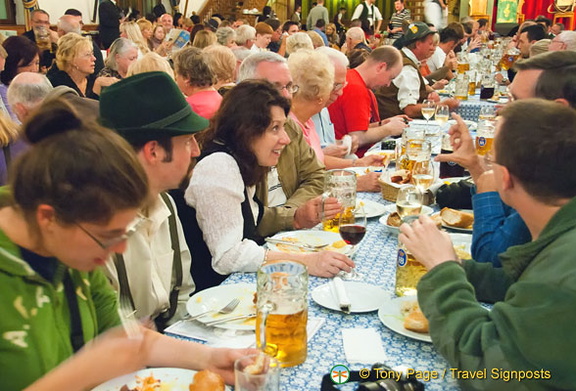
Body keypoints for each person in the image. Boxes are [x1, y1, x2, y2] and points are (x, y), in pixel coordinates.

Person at [0, 98, 254, 390]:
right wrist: (82, 372)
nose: (119, 248)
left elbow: (130, 341)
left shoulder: (68, 253)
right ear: (48, 218)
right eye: (109, 236)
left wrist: (210, 358)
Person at [399, 99, 576, 389]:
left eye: (492, 160)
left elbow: (488, 370)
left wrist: (443, 271)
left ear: (504, 179)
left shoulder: (561, 279)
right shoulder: (559, 237)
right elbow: (517, 281)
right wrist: (457, 267)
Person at [184, 80, 355, 291]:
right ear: (246, 130)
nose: (285, 139)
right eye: (275, 128)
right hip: (213, 295)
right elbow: (227, 256)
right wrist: (306, 261)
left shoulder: (243, 161)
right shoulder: (219, 166)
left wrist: (297, 219)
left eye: (283, 127)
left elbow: (253, 217)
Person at [435, 51, 576, 266]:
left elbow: (495, 258)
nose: (502, 110)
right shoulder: (553, 154)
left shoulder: (557, 172)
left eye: (517, 101)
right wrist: (475, 167)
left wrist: (441, 266)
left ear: (557, 109)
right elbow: (507, 222)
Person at [99, 72, 204, 329]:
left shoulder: (165, 203)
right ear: (153, 151)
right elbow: (108, 330)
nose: (196, 151)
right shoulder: (95, 225)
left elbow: (182, 294)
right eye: (187, 140)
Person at [237, 52, 336, 238]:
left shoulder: (289, 126)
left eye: (289, 87)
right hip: (258, 244)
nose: (285, 96)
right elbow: (247, 217)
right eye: (273, 87)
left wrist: (291, 213)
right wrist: (293, 216)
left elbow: (316, 175)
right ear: (245, 90)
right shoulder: (234, 138)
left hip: (290, 233)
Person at [288, 50, 385, 182]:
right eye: (336, 85)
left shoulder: (310, 119)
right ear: (318, 89)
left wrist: (345, 147)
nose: (340, 93)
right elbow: (306, 174)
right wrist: (356, 181)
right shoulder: (291, 123)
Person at [328, 46, 407, 157]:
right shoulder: (357, 89)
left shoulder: (351, 77)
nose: (388, 84)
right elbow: (358, 137)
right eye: (390, 78)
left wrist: (380, 124)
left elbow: (353, 127)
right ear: (381, 67)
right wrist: (388, 129)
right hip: (351, 159)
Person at [375, 22, 458, 120]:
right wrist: (441, 105)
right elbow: (410, 110)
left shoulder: (402, 57)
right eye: (430, 44)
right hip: (392, 126)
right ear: (418, 44)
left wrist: (431, 92)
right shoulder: (408, 69)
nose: (433, 48)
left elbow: (423, 84)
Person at [173, 47, 222, 119]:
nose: (176, 78)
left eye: (176, 74)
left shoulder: (187, 108)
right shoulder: (222, 100)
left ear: (187, 77)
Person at [0, 36, 39, 122]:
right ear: (12, 66)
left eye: (37, 63)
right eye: (28, 64)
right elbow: (15, 125)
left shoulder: (35, 87)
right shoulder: (5, 91)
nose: (34, 69)